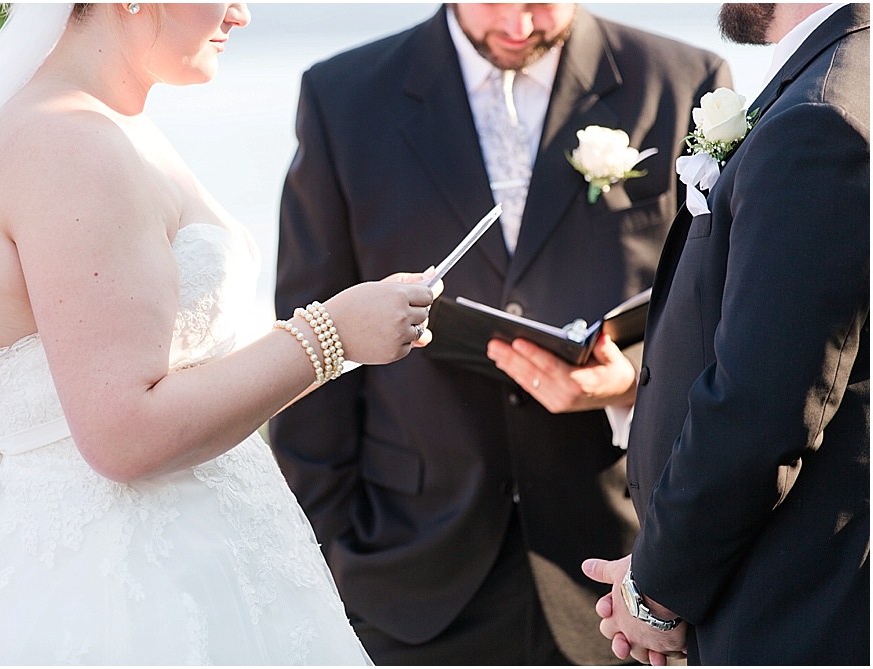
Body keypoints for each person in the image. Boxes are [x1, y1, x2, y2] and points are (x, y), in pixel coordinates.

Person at [0, 3, 438, 665]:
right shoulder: (68, 141)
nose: (242, 14)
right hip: (123, 594)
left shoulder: (107, 124)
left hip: (189, 567)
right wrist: (329, 335)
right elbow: (123, 429)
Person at [271, 3, 731, 664]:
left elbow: (715, 315)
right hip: (407, 581)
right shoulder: (343, 97)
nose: (518, 25)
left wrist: (630, 379)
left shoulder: (681, 81)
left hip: (619, 575)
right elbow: (309, 345)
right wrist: (333, 556)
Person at [580, 3, 870, 665]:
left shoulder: (821, 119)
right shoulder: (837, 82)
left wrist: (655, 590)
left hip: (800, 610)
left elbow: (763, 403)